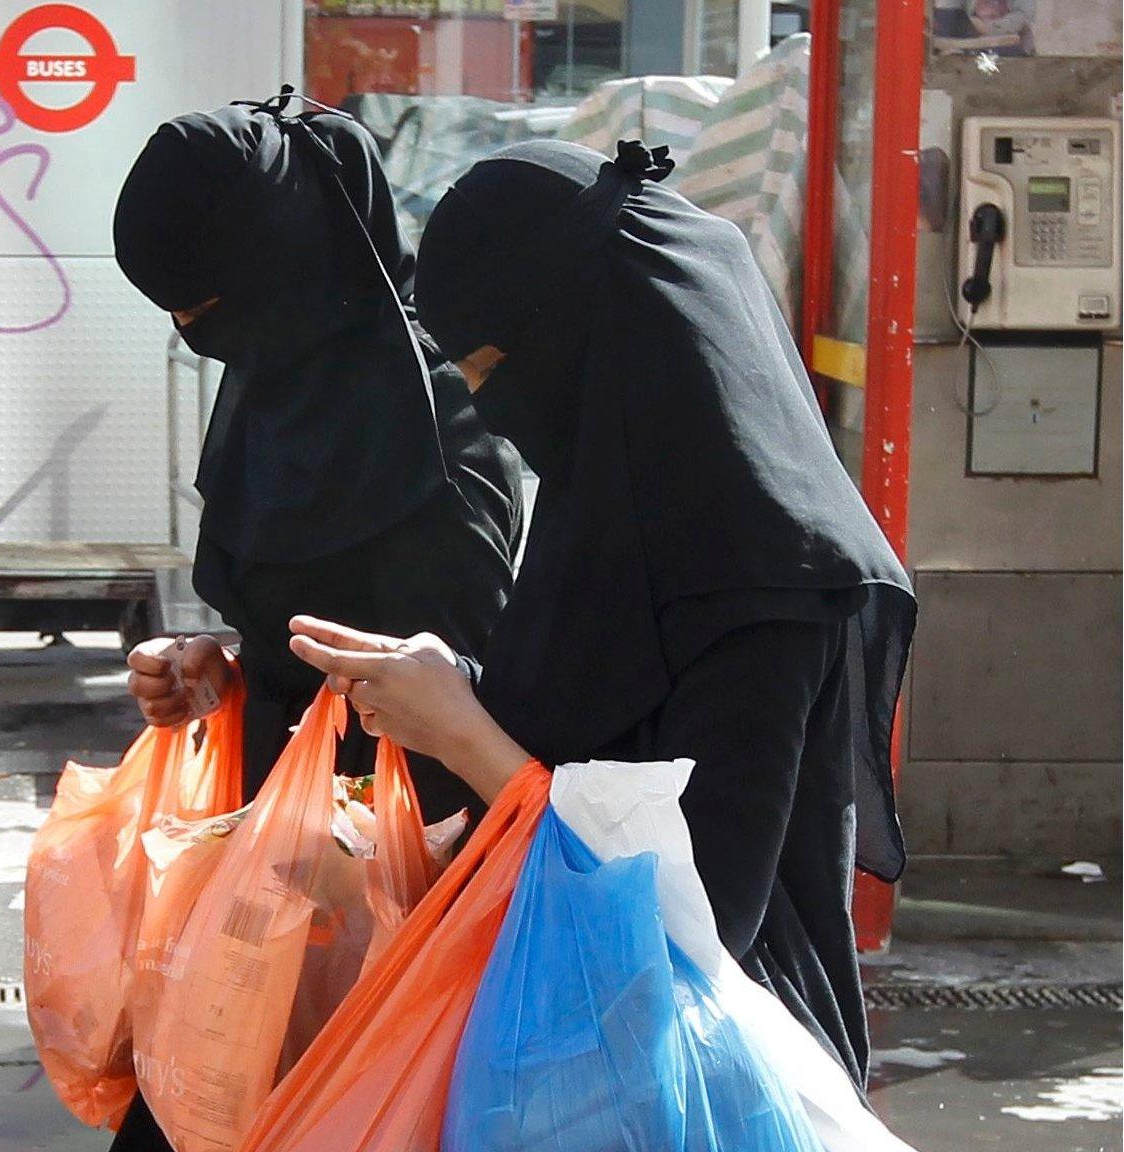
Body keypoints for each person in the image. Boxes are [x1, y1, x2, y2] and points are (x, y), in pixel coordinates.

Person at [289, 138, 916, 1091]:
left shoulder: (761, 571)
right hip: (577, 1057)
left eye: (494, 368)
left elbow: (692, 916)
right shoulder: (616, 512)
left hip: (717, 1082)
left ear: (599, 339)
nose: (489, 408)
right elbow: (588, 744)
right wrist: (444, 698)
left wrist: (465, 737)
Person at [109, 100, 524, 1152]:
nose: (188, 332)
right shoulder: (271, 378)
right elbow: (287, 613)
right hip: (268, 873)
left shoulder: (435, 426)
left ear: (276, 269)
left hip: (392, 906)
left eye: (200, 303)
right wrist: (215, 667)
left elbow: (459, 687)